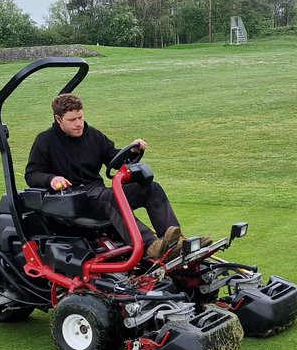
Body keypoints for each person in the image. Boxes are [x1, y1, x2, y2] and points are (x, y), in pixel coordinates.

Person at [25, 93, 184, 259]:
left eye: (80, 117)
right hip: (72, 202)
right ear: (58, 119)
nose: (79, 124)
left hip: (97, 194)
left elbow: (113, 158)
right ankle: (150, 245)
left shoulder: (93, 135)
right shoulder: (45, 141)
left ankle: (175, 242)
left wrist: (132, 151)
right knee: (112, 198)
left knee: (151, 188)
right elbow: (32, 174)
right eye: (72, 120)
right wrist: (51, 179)